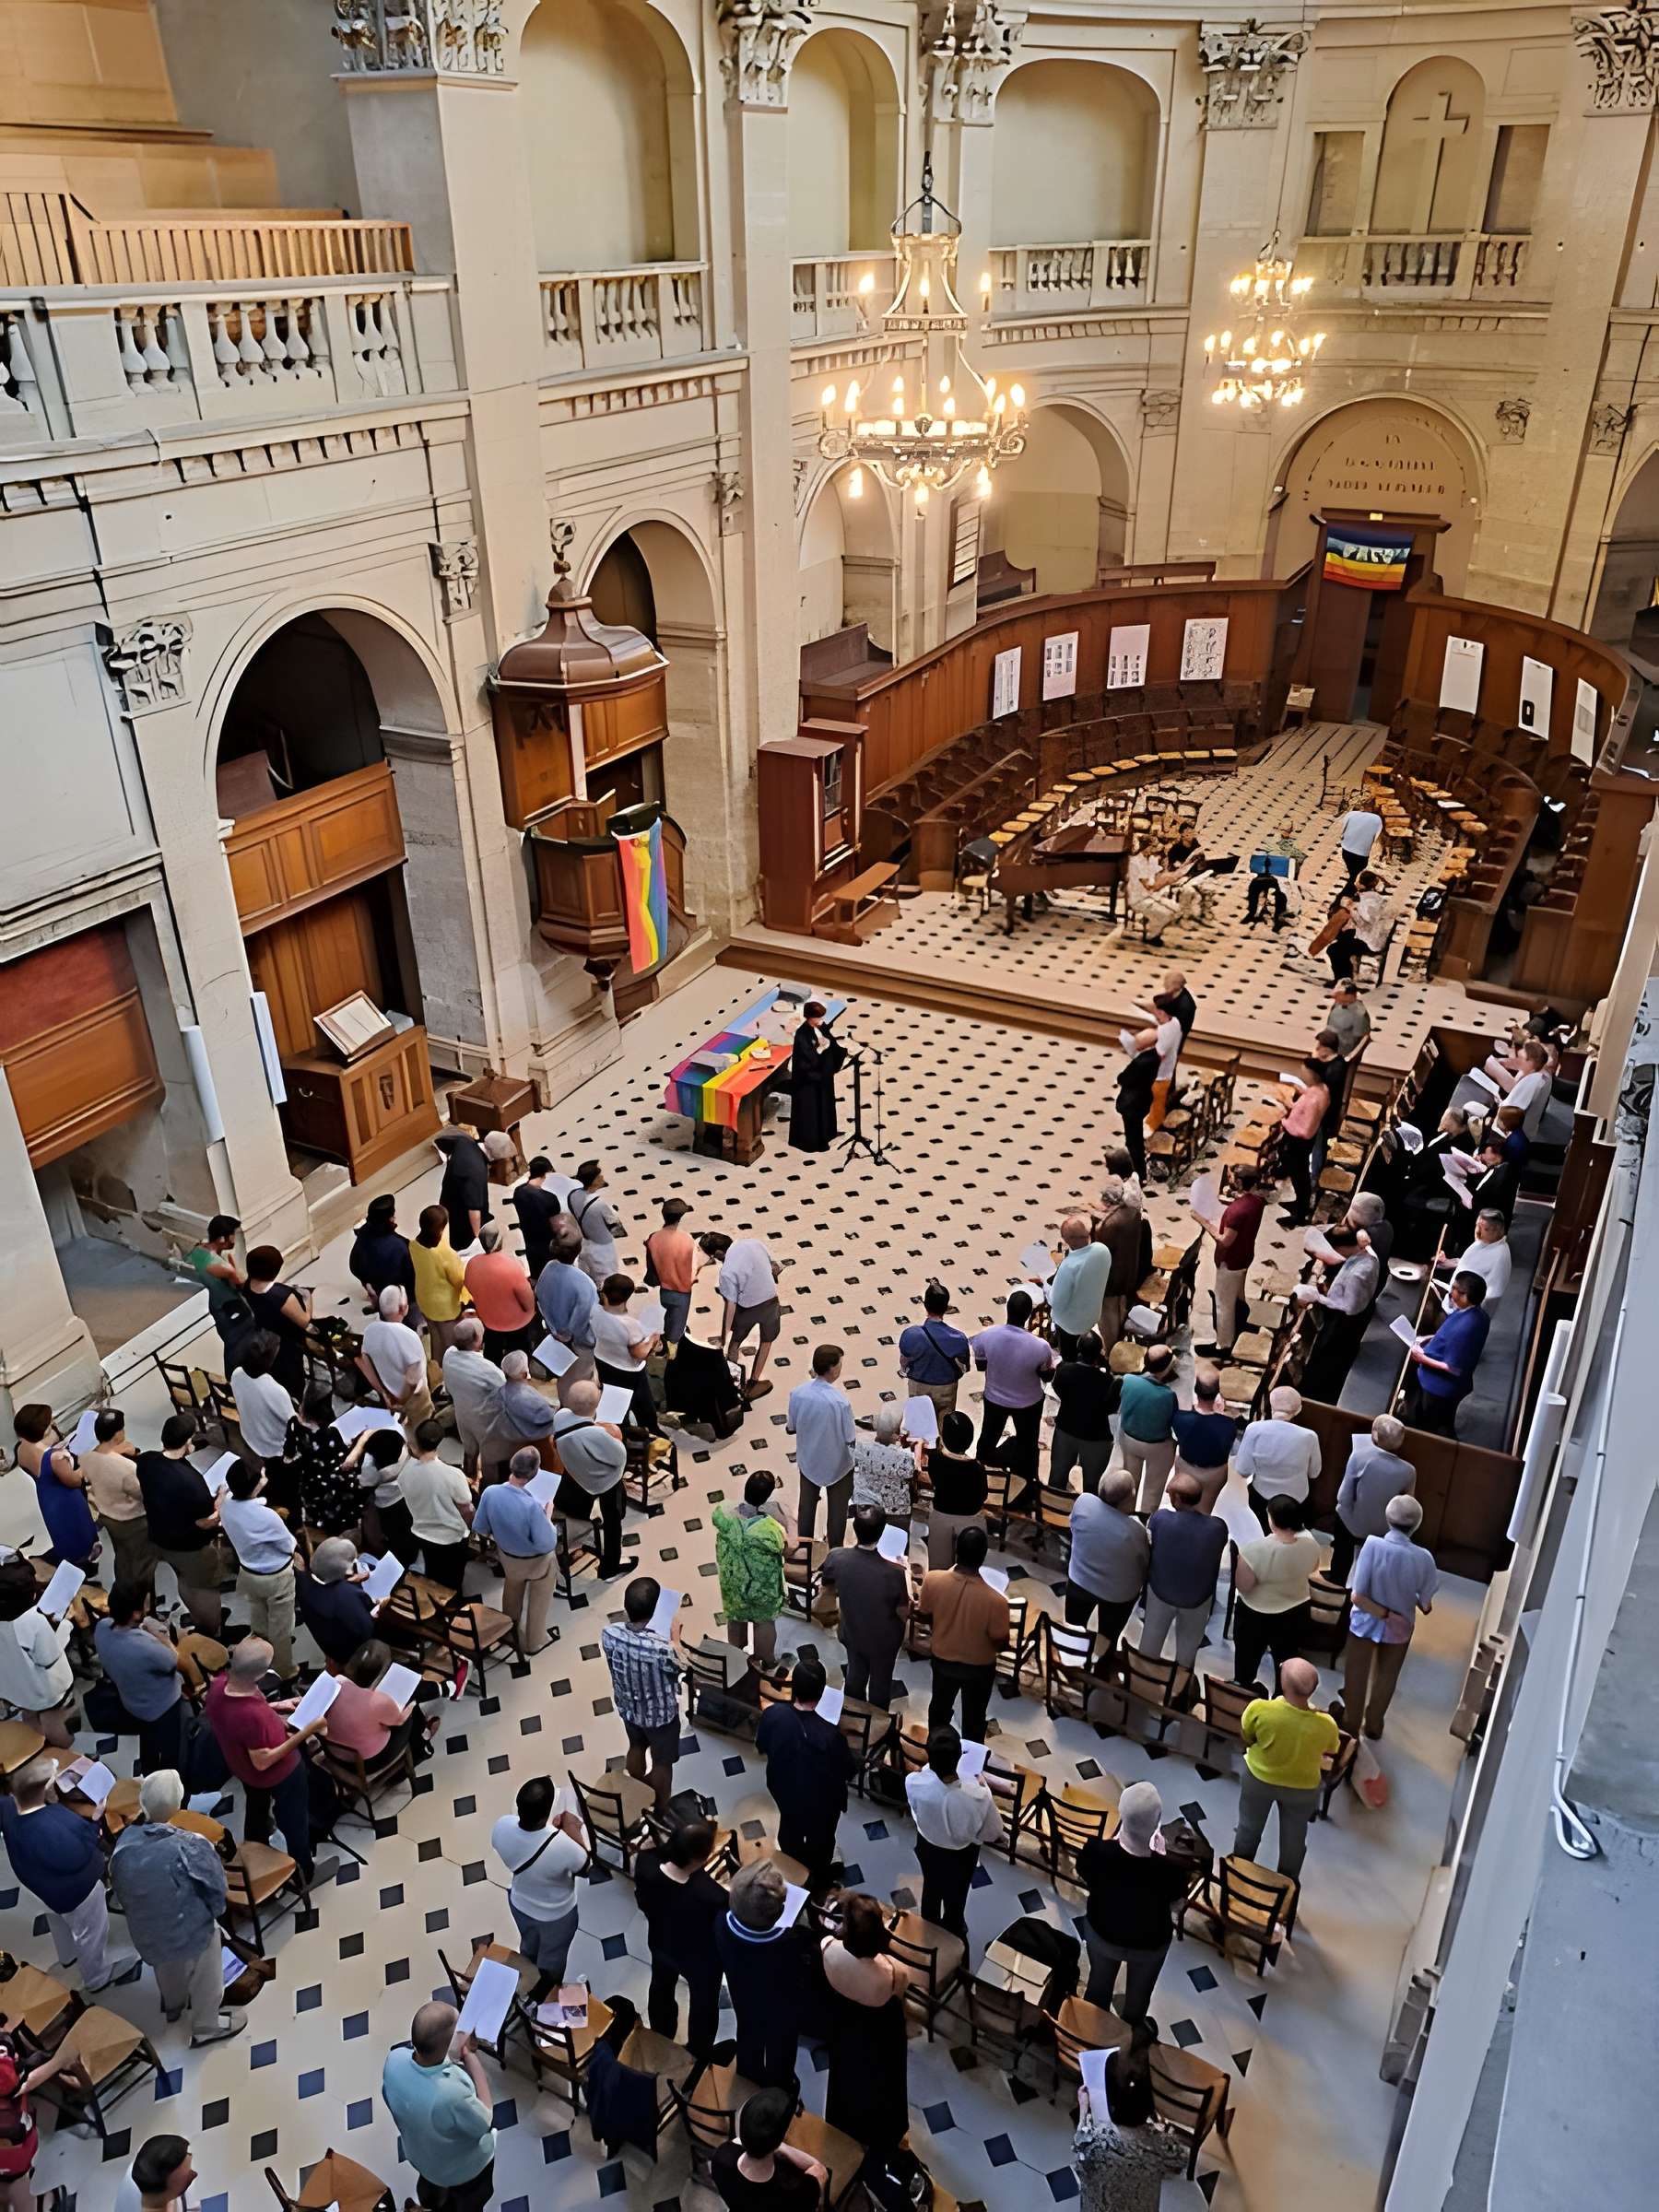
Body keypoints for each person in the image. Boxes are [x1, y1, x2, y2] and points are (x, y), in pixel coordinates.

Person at [109, 1769, 241, 2047]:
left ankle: (173, 2006)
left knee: (167, 1971)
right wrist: (215, 1915)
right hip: (191, 1929)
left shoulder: (124, 1843)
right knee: (207, 1979)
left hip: (148, 1932)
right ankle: (206, 2027)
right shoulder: (191, 1845)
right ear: (177, 1804)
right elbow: (216, 1886)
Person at [0, 1756, 134, 1994]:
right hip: (78, 1892)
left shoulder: (8, 1807)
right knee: (90, 1933)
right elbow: (78, 1854)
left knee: (58, 1919)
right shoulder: (56, 1824)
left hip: (40, 1883)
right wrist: (94, 1823)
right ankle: (97, 1977)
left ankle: (67, 1957)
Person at [204, 1638, 330, 1885]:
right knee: (294, 1820)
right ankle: (305, 1872)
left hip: (241, 1767)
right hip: (278, 1773)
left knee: (257, 1808)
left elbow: (241, 1712)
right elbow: (263, 1761)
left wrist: (279, 1706)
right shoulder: (253, 1716)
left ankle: (257, 1846)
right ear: (261, 1674)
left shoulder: (218, 1687)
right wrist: (309, 1730)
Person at [1076, 1779, 1188, 2021]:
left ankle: (1092, 2029)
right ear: (1157, 1823)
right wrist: (1160, 1857)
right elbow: (1177, 1906)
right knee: (1139, 1997)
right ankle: (1132, 2030)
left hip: (1103, 1932)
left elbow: (1085, 1875)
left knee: (1098, 1985)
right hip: (1149, 1944)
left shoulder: (1097, 1851)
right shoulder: (1172, 1870)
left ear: (1121, 1813)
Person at [1231, 1657, 1341, 1882]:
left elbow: (1247, 1736)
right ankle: (1287, 1886)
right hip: (1302, 1788)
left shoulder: (1260, 1709)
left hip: (1259, 1779)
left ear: (1283, 1683)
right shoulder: (1327, 1724)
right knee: (1294, 1840)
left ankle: (1237, 1875)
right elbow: (1331, 1750)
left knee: (1249, 1828)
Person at [382, 2001, 497, 2212]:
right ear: (450, 2043)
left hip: (421, 2156)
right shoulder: (450, 2092)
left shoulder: (394, 2060)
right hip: (461, 2170)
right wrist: (471, 2059)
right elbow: (484, 2122)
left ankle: (427, 2206)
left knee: (430, 2191)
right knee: (470, 2201)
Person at [1342, 1492, 1439, 1742]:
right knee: (1387, 1676)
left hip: (1365, 1622)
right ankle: (1374, 1725)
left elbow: (1357, 1596)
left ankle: (1351, 1724)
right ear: (1417, 1524)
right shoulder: (1424, 1558)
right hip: (1400, 1626)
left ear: (1387, 1518)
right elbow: (1426, 1605)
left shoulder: (1372, 1545)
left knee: (1356, 1673)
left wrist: (1382, 1612)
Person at [821, 1892, 910, 2158]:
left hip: (843, 2018)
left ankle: (843, 2123)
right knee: (884, 2080)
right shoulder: (892, 1973)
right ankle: (884, 2134)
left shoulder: (829, 1948)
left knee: (845, 2070)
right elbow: (900, 1994)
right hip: (880, 2027)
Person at [755, 1658, 854, 1887]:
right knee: (821, 1840)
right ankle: (817, 1880)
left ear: (793, 1687)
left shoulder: (773, 1714)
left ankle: (792, 1866)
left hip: (783, 1790)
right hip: (820, 1803)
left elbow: (762, 1745)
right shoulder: (831, 1736)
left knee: (790, 1827)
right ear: (821, 1694)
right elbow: (848, 1770)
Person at [489, 1776, 589, 2000]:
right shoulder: (563, 1846)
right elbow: (584, 1867)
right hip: (557, 1915)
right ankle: (543, 1994)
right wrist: (571, 1830)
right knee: (553, 1958)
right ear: (547, 1811)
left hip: (520, 1903)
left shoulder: (502, 1826)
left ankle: (527, 1972)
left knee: (529, 1944)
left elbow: (519, 1846)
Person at [1072, 2020, 1189, 2211]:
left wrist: (1084, 2108)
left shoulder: (1095, 2142)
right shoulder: (1160, 2144)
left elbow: (1081, 2159)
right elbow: (1180, 2160)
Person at [636, 1818, 729, 2056]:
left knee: (661, 1986)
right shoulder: (711, 1895)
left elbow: (643, 1901)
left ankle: (661, 2032)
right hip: (699, 1960)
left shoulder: (646, 1863)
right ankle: (698, 2050)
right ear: (700, 1858)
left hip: (661, 1943)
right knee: (704, 2004)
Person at [716, 1859, 811, 2091]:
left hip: (743, 1996)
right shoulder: (791, 1943)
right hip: (781, 2007)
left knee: (748, 2033)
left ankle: (748, 2076)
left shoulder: (721, 1924)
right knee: (782, 2046)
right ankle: (781, 2086)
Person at [904, 1723, 1002, 1942]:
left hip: (928, 1846)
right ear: (959, 1757)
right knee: (956, 1896)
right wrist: (982, 1785)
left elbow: (916, 1810)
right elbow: (993, 1831)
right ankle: (954, 1928)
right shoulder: (978, 1795)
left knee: (931, 1887)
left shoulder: (914, 1782)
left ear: (928, 1754)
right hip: (961, 1855)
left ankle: (929, 1927)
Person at [918, 1524, 1009, 1743]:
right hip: (979, 1669)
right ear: (983, 1557)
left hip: (942, 1660)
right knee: (974, 1718)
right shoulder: (996, 1602)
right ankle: (971, 1754)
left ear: (957, 1551)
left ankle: (937, 1749)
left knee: (939, 1709)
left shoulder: (933, 1580)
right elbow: (1000, 1643)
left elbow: (924, 1616)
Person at [600, 1575, 684, 1811]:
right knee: (662, 1763)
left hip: (629, 1709)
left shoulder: (610, 1634)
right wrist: (675, 1638)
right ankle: (661, 1808)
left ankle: (636, 1789)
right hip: (660, 1718)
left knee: (636, 1746)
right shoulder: (661, 1648)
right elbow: (681, 1666)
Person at [135, 1414, 223, 1634]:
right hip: (190, 1547)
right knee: (204, 1588)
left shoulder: (146, 1461)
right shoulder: (191, 1484)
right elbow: (209, 1520)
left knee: (183, 1579)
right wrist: (221, 1498)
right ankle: (212, 1630)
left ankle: (196, 1616)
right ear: (187, 1441)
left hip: (161, 1538)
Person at [471, 1446, 559, 1653]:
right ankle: (535, 1641)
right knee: (540, 1598)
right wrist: (547, 1516)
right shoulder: (531, 1506)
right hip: (536, 1561)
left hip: (508, 1556)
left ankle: (509, 1632)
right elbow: (547, 1543)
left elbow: (479, 1527)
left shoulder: (490, 1493)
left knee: (512, 1590)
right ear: (535, 1473)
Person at [1296, 1200, 1384, 1404]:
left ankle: (1314, 1396)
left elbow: (1349, 1307)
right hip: (1348, 1308)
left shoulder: (1359, 1272)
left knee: (1327, 1358)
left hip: (1345, 1322)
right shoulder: (1362, 1253)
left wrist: (1317, 1297)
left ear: (1345, 1247)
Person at [821, 1505, 911, 1708]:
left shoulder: (836, 1557)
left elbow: (828, 1584)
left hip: (852, 1630)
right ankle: (877, 1720)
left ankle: (853, 1715)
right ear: (882, 1532)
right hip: (883, 1640)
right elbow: (903, 1611)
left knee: (855, 1674)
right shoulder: (894, 1573)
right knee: (880, 1682)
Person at [971, 1290, 1056, 1502]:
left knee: (987, 1439)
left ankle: (978, 1480)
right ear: (1028, 1315)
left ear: (1007, 1309)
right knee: (1029, 1445)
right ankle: (1027, 1489)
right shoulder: (1040, 1346)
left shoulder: (986, 1336)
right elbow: (1046, 1375)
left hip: (995, 1398)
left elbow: (981, 1366)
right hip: (1029, 1403)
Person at [1231, 1494, 1323, 1690]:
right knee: (1286, 1662)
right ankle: (1282, 1698)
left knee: (1246, 1663)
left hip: (1255, 1613)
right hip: (1295, 1610)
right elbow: (1314, 1567)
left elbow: (1244, 1586)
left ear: (1272, 1521)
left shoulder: (1255, 1550)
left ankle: (1243, 1693)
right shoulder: (1311, 1545)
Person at [95, 1582, 188, 1772]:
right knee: (171, 1748)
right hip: (163, 1706)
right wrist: (162, 1637)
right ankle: (170, 1777)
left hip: (132, 1701)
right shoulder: (146, 1647)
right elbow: (174, 1660)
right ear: (136, 1614)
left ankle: (148, 1770)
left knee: (148, 1741)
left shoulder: (102, 1628)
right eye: (145, 1604)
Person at [219, 1459, 299, 1681]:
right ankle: (284, 1670)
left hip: (248, 1573)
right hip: (277, 1577)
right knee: (281, 1628)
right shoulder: (267, 1516)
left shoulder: (226, 1506)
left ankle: (257, 1657)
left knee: (258, 1619)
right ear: (255, 1486)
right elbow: (288, 1545)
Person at [1140, 1475, 1228, 1669]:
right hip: (1197, 1598)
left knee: (1149, 1645)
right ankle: (1180, 1684)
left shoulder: (1160, 1519)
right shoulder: (1217, 1527)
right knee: (1187, 1653)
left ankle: (1142, 1679)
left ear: (1177, 1498)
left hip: (1161, 1591)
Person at [551, 1378, 635, 1581]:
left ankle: (584, 1522)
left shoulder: (560, 1418)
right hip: (604, 1481)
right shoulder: (596, 1435)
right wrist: (614, 1435)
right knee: (613, 1520)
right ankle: (610, 1568)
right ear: (596, 1405)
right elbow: (619, 1457)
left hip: (575, 1470)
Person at [712, 1471, 789, 1666]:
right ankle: (766, 1662)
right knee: (764, 1622)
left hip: (734, 1582)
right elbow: (787, 1547)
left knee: (735, 1617)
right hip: (762, 1588)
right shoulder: (770, 1529)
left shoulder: (723, 1515)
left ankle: (736, 1659)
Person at [1403, 1270, 1491, 1436]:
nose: (1451, 1292)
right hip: (1441, 1384)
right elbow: (1446, 1334)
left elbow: (1452, 1368)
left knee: (1427, 1424)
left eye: (1456, 1289)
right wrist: (1427, 1338)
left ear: (1465, 1296)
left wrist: (1421, 1357)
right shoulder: (1478, 1314)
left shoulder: (1466, 1328)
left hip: (1438, 1388)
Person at [712, 2087, 828, 2212]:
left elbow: (739, 2140)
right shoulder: (795, 2192)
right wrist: (780, 2146)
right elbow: (820, 2170)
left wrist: (774, 2144)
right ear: (781, 2137)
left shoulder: (721, 2157)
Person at [1065, 1467, 1147, 1643]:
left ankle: (1071, 1652)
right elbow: (1143, 1562)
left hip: (1080, 1579)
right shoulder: (1136, 1531)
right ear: (1130, 1498)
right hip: (1117, 1594)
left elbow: (1072, 1526)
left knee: (1074, 1629)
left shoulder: (1084, 1502)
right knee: (1107, 1638)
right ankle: (1104, 1655)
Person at [786, 1343, 856, 1547]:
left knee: (806, 1508)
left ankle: (804, 1549)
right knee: (838, 1512)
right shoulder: (840, 1402)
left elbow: (791, 1426)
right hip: (839, 1465)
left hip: (809, 1461)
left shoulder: (798, 1393)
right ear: (832, 1369)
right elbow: (850, 1437)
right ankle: (835, 1552)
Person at [10, 1405, 97, 1570]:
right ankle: (84, 1564)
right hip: (67, 1500)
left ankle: (70, 1558)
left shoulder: (20, 1450)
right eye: (50, 1422)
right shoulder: (56, 1458)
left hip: (47, 1497)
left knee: (61, 1531)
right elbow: (74, 1481)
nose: (53, 1423)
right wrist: (85, 1465)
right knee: (78, 1531)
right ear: (43, 1431)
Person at [1331, 1414, 1416, 1582]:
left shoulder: (1359, 1457)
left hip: (1352, 1524)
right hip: (1383, 1530)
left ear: (1375, 1436)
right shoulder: (1409, 1471)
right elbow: (1407, 1505)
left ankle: (1337, 1576)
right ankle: (1367, 1581)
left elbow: (1343, 1497)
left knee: (1341, 1514)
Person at [80, 1407, 156, 1594]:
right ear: (117, 1434)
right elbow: (142, 1494)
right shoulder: (126, 1467)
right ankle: (142, 1598)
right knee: (142, 1561)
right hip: (131, 1520)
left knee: (122, 1554)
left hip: (107, 1516)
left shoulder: (86, 1458)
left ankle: (121, 1585)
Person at [0, 1559, 74, 1748]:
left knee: (30, 1716)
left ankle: (36, 1748)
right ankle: (65, 1755)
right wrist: (65, 1626)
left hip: (12, 1687)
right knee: (55, 1721)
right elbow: (49, 1658)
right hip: (43, 1689)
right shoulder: (32, 1621)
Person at [701, 1229, 783, 1400]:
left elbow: (730, 1305)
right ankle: (754, 1383)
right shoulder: (755, 1243)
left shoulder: (727, 1272)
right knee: (766, 1342)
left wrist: (724, 1334)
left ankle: (732, 1379)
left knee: (735, 1343)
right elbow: (773, 1266)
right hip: (771, 1302)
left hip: (747, 1309)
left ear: (718, 1253)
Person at [1194, 1165, 1266, 1359]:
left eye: (1233, 1178)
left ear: (1241, 1182)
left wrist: (1203, 1221)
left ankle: (1223, 1345)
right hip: (1246, 1255)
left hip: (1231, 1261)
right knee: (1238, 1295)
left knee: (1223, 1303)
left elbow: (1225, 1241)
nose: (1231, 1180)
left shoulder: (1237, 1211)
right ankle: (1241, 1323)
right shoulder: (1258, 1202)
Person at [398, 1419, 475, 1592]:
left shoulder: (405, 1473)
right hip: (452, 1536)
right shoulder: (453, 1475)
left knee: (433, 1572)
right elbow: (466, 1509)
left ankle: (433, 1598)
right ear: (440, 1441)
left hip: (422, 1534)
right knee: (454, 1577)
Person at [327, 1639, 426, 1771]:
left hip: (334, 1752)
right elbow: (399, 1720)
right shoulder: (377, 1701)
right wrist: (412, 1703)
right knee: (407, 1716)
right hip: (369, 1761)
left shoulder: (337, 1682)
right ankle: (420, 1750)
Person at [1236, 1384, 1321, 1529]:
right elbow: (1314, 1473)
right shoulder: (1309, 1436)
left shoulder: (1254, 1429)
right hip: (1297, 1501)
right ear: (1298, 1410)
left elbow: (1243, 1470)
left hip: (1261, 1499)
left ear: (1270, 1405)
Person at [1049, 1332, 1120, 1494]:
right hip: (1096, 1438)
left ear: (1079, 1351)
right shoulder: (1108, 1381)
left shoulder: (1064, 1370)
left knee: (1056, 1479)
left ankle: (1052, 1507)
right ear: (1099, 1354)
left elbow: (1058, 1390)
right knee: (1092, 1486)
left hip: (1066, 1429)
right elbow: (1112, 1408)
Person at [359, 1285, 433, 1437]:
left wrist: (384, 1393)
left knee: (401, 1428)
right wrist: (404, 1402)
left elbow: (366, 1362)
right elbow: (413, 1380)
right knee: (420, 1429)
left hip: (389, 1393)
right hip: (412, 1397)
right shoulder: (409, 1336)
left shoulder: (370, 1331)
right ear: (403, 1308)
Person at [296, 1535, 381, 1667]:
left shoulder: (301, 1582)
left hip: (325, 1638)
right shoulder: (348, 1596)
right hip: (350, 1653)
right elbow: (366, 1632)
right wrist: (380, 1606)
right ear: (346, 1572)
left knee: (365, 1558)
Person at [593, 1273, 662, 1433]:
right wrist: (653, 1338)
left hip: (603, 1363)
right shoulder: (630, 1324)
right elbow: (639, 1353)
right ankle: (650, 1432)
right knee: (643, 1408)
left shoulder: (595, 1312)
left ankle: (619, 1434)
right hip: (629, 1371)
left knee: (614, 1410)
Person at [1116, 1342, 1178, 1515]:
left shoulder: (1127, 1380)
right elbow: (1172, 1421)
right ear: (1167, 1368)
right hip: (1156, 1446)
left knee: (1130, 1482)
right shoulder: (1168, 1395)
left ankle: (1125, 1514)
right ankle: (1146, 1518)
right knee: (1153, 1490)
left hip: (1129, 1439)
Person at [441, 1318, 507, 1480]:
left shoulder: (449, 1355)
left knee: (469, 1450)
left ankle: (469, 1478)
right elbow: (506, 1395)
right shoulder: (489, 1370)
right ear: (478, 1340)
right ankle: (487, 1484)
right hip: (485, 1420)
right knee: (489, 1457)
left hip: (462, 1413)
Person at [242, 1246, 312, 1398]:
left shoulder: (247, 1287)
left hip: (263, 1341)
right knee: (292, 1384)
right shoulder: (282, 1296)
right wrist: (308, 1298)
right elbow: (304, 1321)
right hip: (286, 1347)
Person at [897, 1281, 971, 1420]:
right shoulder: (959, 1338)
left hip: (919, 1386)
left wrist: (904, 1370)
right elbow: (965, 1367)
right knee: (945, 1426)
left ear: (925, 1305)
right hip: (946, 1389)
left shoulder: (910, 1334)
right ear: (946, 1307)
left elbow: (904, 1362)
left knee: (919, 1426)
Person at [924, 1411, 988, 1570]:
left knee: (938, 1569)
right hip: (970, 1519)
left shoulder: (935, 1460)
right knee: (968, 1569)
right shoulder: (977, 1468)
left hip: (941, 1516)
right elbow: (983, 1496)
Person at [1272, 1057, 1332, 1227]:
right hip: (1301, 1140)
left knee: (1300, 1177)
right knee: (1299, 1173)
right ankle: (1300, 1204)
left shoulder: (1314, 1100)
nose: (1302, 1074)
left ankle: (1299, 1214)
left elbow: (1306, 1130)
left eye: (1305, 1072)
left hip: (1299, 1142)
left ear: (1313, 1074)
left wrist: (1285, 1122)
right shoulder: (1322, 1089)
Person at [463, 1225, 537, 1360]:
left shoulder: (472, 1264)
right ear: (500, 1242)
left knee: (492, 1352)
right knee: (519, 1354)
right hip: (517, 1323)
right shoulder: (512, 1266)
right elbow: (528, 1302)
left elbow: (469, 1288)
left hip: (488, 1321)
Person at [1170, 1370, 1236, 1513]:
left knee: (1181, 1505)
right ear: (1217, 1393)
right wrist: (1219, 1415)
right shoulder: (1229, 1425)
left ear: (1196, 1391)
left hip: (1187, 1467)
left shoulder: (1180, 1419)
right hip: (1214, 1474)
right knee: (1204, 1511)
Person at [229, 1331, 296, 1471]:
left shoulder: (236, 1374)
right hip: (274, 1447)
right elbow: (293, 1426)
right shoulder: (278, 1391)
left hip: (250, 1435)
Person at [788, 997, 847, 1152]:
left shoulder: (819, 1028)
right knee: (812, 1111)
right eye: (818, 1017)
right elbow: (807, 1057)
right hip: (810, 1078)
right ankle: (813, 1142)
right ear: (810, 1017)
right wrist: (821, 1049)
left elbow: (829, 1041)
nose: (820, 1020)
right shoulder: (802, 1034)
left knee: (825, 1104)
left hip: (822, 1074)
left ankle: (828, 1133)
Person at [1090, 1172, 1142, 1348]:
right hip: (1129, 1269)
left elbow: (1098, 1250)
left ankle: (1112, 1347)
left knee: (1108, 1311)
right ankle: (1120, 1335)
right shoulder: (1133, 1212)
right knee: (1121, 1305)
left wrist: (1097, 1226)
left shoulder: (1109, 1225)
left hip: (1111, 1277)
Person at [186, 1212, 250, 1354]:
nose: (234, 1239)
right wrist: (234, 1268)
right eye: (233, 1235)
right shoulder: (223, 1268)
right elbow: (243, 1285)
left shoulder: (198, 1250)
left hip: (215, 1307)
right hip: (231, 1309)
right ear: (222, 1239)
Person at [1049, 1214, 1112, 1356]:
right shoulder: (1102, 1250)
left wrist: (1048, 1290)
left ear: (1069, 1240)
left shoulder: (1069, 1266)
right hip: (1092, 1315)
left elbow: (1057, 1302)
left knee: (1069, 1355)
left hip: (1070, 1326)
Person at [852, 1403, 919, 1531]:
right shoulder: (904, 1458)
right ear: (897, 1434)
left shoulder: (861, 1449)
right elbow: (913, 1471)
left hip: (867, 1509)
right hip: (896, 1512)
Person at [644, 1196, 697, 1348]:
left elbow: (651, 1266)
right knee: (675, 1333)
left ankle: (666, 1337)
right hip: (682, 1292)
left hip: (664, 1291)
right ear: (680, 1218)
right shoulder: (687, 1239)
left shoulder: (653, 1238)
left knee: (669, 1317)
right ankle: (670, 1353)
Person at [348, 1193, 415, 1311]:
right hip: (397, 1295)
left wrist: (367, 1282)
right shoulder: (399, 1246)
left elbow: (354, 1264)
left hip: (375, 1287)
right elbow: (411, 1276)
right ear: (390, 1219)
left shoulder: (364, 1232)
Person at [1434, 1206, 1512, 1305]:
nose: (1477, 1232)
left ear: (1496, 1231)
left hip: (1462, 1309)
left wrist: (1462, 1306)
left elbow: (1493, 1295)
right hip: (1451, 1300)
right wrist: (1446, 1261)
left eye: (1484, 1229)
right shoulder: (1482, 1241)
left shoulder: (1501, 1257)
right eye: (1477, 1226)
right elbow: (1467, 1264)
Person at [1326, 868, 1393, 983]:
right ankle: (1346, 977)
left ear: (1361, 884)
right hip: (1369, 937)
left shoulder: (1370, 901)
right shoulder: (1374, 898)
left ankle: (1343, 980)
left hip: (1370, 942)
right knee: (1341, 939)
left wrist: (1352, 909)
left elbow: (1365, 923)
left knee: (1334, 950)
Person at [1115, 1028, 1160, 1183]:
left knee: (1133, 1141)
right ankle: (1139, 1171)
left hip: (1133, 1105)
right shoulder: (1157, 1056)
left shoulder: (1144, 1060)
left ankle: (1139, 1174)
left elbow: (1123, 1078)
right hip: (1142, 1101)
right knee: (1135, 1139)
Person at [569, 1159, 624, 1285]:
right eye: (599, 1176)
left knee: (586, 1279)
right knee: (606, 1282)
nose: (602, 1177)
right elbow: (617, 1230)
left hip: (584, 1245)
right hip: (602, 1250)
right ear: (593, 1181)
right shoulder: (600, 1204)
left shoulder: (573, 1195)